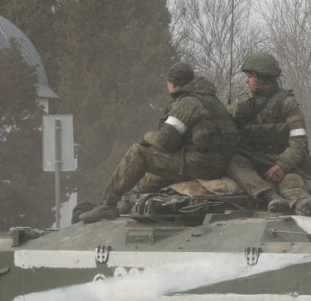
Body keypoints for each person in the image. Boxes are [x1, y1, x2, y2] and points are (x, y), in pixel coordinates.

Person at [79, 62, 238, 222]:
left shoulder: (187, 104)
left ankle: (108, 205)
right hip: (217, 163)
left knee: (138, 153)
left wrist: (147, 137)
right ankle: (128, 202)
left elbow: (166, 141)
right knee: (154, 175)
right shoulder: (210, 100)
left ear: (172, 84)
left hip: (201, 165)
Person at [227, 52, 311, 215]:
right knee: (233, 163)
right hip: (252, 163)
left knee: (291, 179)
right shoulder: (242, 104)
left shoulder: (288, 104)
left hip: (281, 162)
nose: (246, 80)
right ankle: (270, 196)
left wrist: (282, 165)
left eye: (250, 76)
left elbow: (299, 142)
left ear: (263, 80)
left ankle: (301, 202)